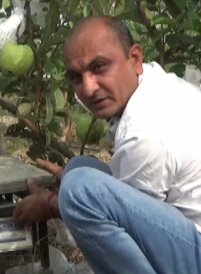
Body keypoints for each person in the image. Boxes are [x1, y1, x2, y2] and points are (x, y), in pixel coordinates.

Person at [13, 15, 201, 274]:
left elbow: (132, 229)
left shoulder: (144, 133)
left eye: (99, 67)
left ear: (134, 59)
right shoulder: (155, 84)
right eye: (77, 77)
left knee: (79, 190)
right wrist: (67, 184)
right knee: (78, 170)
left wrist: (51, 204)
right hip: (189, 236)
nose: (88, 88)